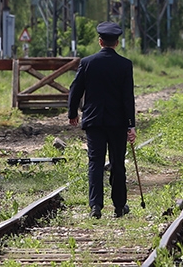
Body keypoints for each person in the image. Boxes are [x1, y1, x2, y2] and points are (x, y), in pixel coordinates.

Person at [68, 21, 137, 219]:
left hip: (94, 122)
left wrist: (73, 113)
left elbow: (75, 89)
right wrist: (130, 125)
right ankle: (119, 206)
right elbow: (127, 97)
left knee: (95, 163)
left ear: (100, 42)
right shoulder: (125, 65)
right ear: (116, 43)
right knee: (117, 163)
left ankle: (95, 206)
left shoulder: (87, 63)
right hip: (117, 123)